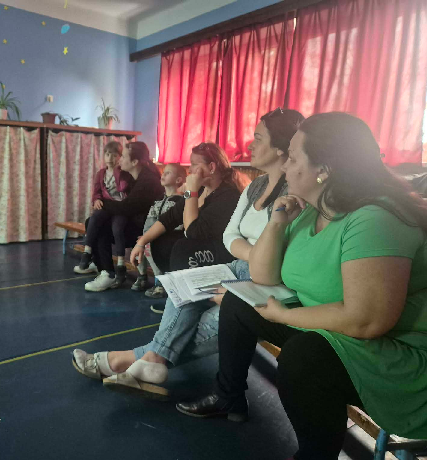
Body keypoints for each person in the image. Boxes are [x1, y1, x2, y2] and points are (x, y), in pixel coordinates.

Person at [176, 113, 427, 460]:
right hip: (331, 326)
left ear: (323, 169)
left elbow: (366, 321)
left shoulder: (374, 219)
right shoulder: (312, 209)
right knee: (239, 302)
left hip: (392, 350)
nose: (285, 166)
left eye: (293, 158)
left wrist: (283, 315)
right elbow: (263, 275)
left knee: (303, 360)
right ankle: (228, 396)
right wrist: (277, 222)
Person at [71, 109, 305, 398]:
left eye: (258, 138)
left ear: (281, 148)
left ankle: (133, 360)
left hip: (260, 279)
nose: (250, 144)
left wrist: (192, 193)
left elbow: (198, 233)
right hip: (237, 266)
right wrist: (144, 240)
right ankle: (148, 361)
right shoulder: (256, 186)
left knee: (200, 321)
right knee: (183, 283)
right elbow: (229, 235)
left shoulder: (284, 193)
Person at [130, 142, 244, 299]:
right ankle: (176, 291)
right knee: (161, 241)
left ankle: (188, 297)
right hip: (197, 247)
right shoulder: (202, 189)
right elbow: (170, 217)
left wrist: (191, 191)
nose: (190, 170)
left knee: (182, 246)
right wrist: (142, 242)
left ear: (211, 167)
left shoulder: (228, 195)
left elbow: (192, 232)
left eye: (194, 164)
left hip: (221, 254)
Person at [84, 142, 163, 292]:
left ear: (134, 162)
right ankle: (105, 269)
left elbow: (125, 207)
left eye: (124, 156)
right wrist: (99, 201)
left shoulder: (147, 181)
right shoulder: (133, 176)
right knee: (94, 222)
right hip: (134, 223)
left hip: (145, 231)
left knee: (99, 226)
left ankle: (107, 272)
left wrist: (102, 204)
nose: (119, 159)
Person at [74, 141, 134, 275]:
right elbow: (96, 191)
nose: (110, 158)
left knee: (117, 228)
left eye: (114, 155)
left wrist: (117, 171)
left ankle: (120, 263)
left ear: (120, 157)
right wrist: (96, 200)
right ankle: (87, 252)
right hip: (107, 207)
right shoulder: (101, 173)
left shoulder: (124, 174)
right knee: (94, 218)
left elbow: (123, 188)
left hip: (120, 209)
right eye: (107, 154)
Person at [132, 163, 186, 291]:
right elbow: (150, 220)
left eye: (168, 173)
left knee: (149, 247)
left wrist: (153, 237)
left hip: (170, 238)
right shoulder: (158, 200)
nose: (163, 175)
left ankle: (161, 282)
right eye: (163, 172)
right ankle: (142, 276)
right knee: (140, 243)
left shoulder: (180, 201)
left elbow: (178, 225)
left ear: (178, 180)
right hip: (153, 236)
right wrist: (145, 236)